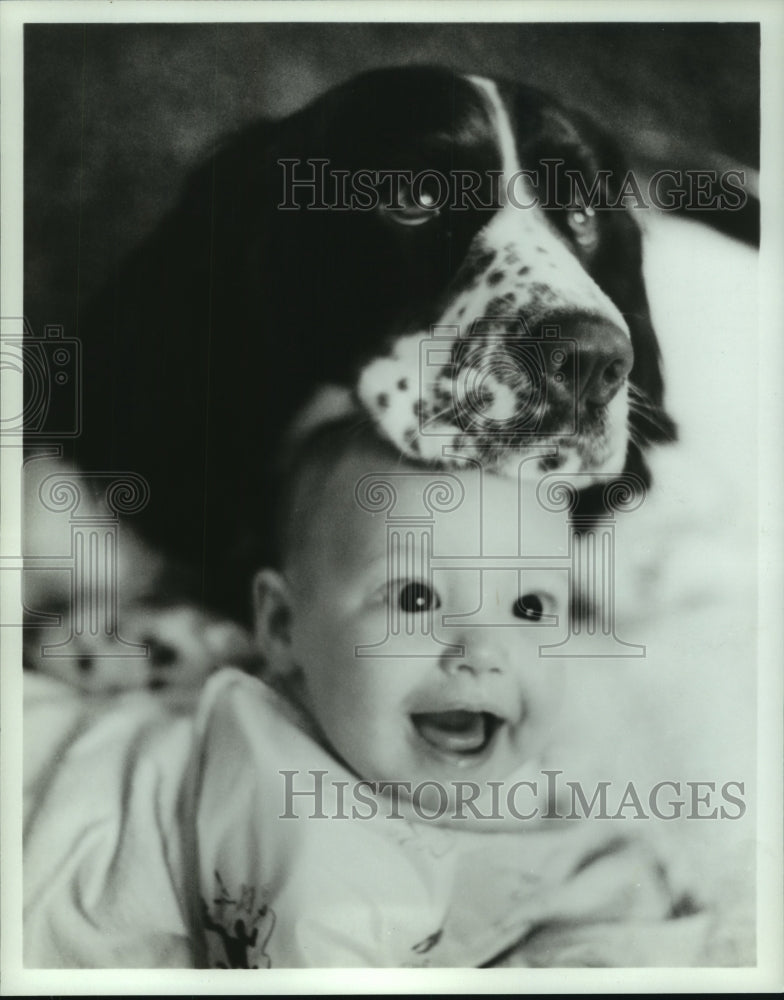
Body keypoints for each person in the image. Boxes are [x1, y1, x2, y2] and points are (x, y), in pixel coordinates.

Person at [23, 421, 753, 968]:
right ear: (282, 626)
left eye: (530, 608)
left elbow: (579, 877)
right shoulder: (290, 794)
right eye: (414, 596)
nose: (482, 651)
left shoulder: (527, 779)